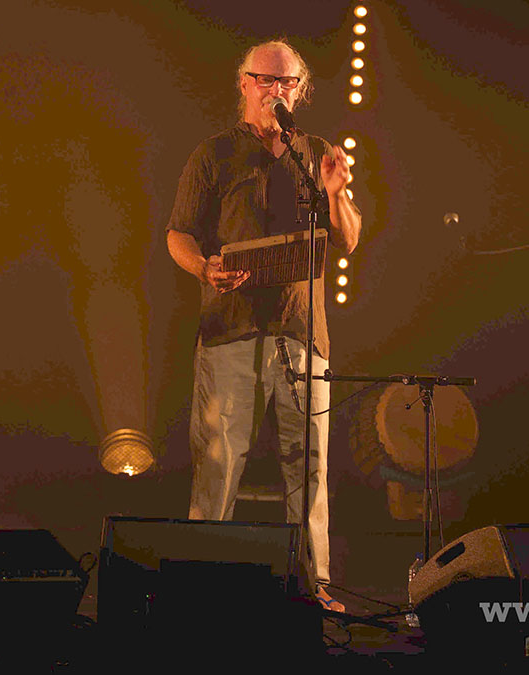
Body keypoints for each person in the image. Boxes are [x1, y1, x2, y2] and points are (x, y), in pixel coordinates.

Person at [166, 40, 361, 611]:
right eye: (266, 80)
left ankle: (314, 585)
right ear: (245, 84)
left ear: (301, 89)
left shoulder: (317, 151)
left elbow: (347, 238)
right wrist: (204, 266)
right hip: (230, 328)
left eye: (289, 83)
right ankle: (202, 587)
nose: (278, 91)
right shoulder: (214, 154)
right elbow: (178, 233)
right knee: (221, 460)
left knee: (312, 465)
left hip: (303, 334)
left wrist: (337, 193)